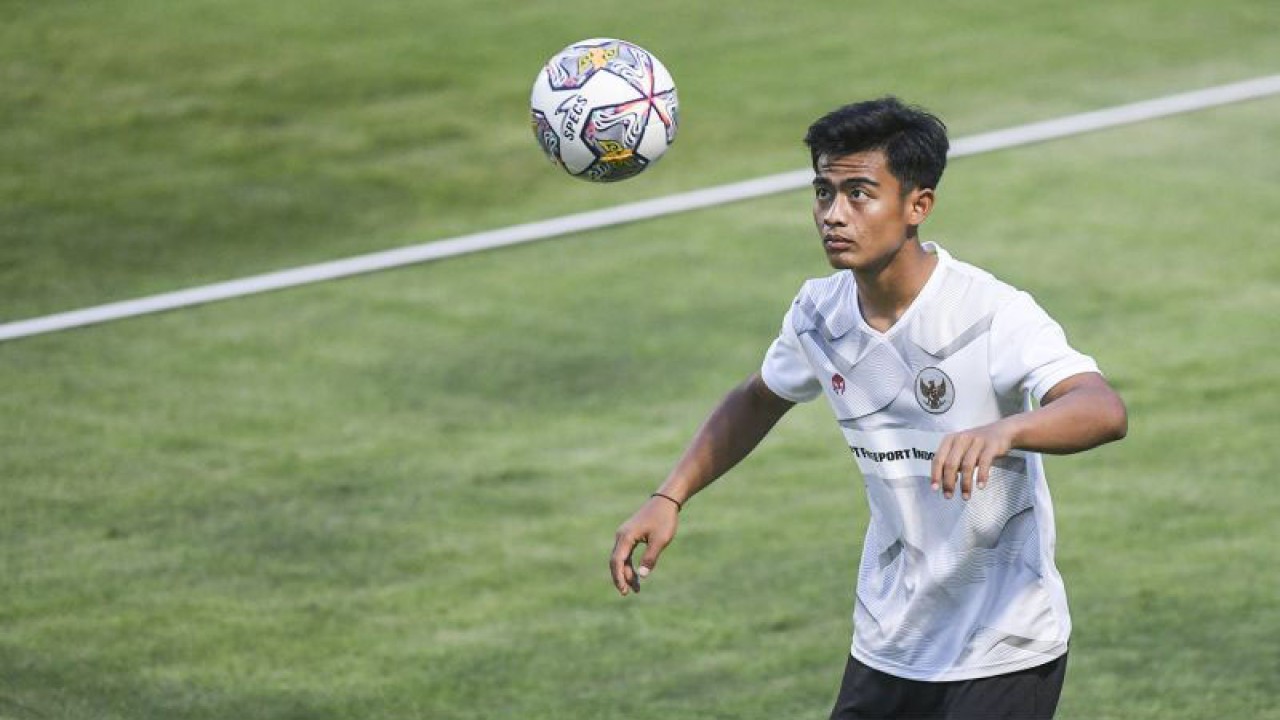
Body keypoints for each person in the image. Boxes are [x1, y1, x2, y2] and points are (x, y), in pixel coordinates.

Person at [608, 97, 1128, 719]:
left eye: (859, 194)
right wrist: (669, 497)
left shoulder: (989, 312)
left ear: (918, 205)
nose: (833, 214)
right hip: (890, 641)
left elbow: (1102, 408)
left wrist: (1007, 430)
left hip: (1003, 647)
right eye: (823, 192)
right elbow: (757, 398)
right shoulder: (818, 313)